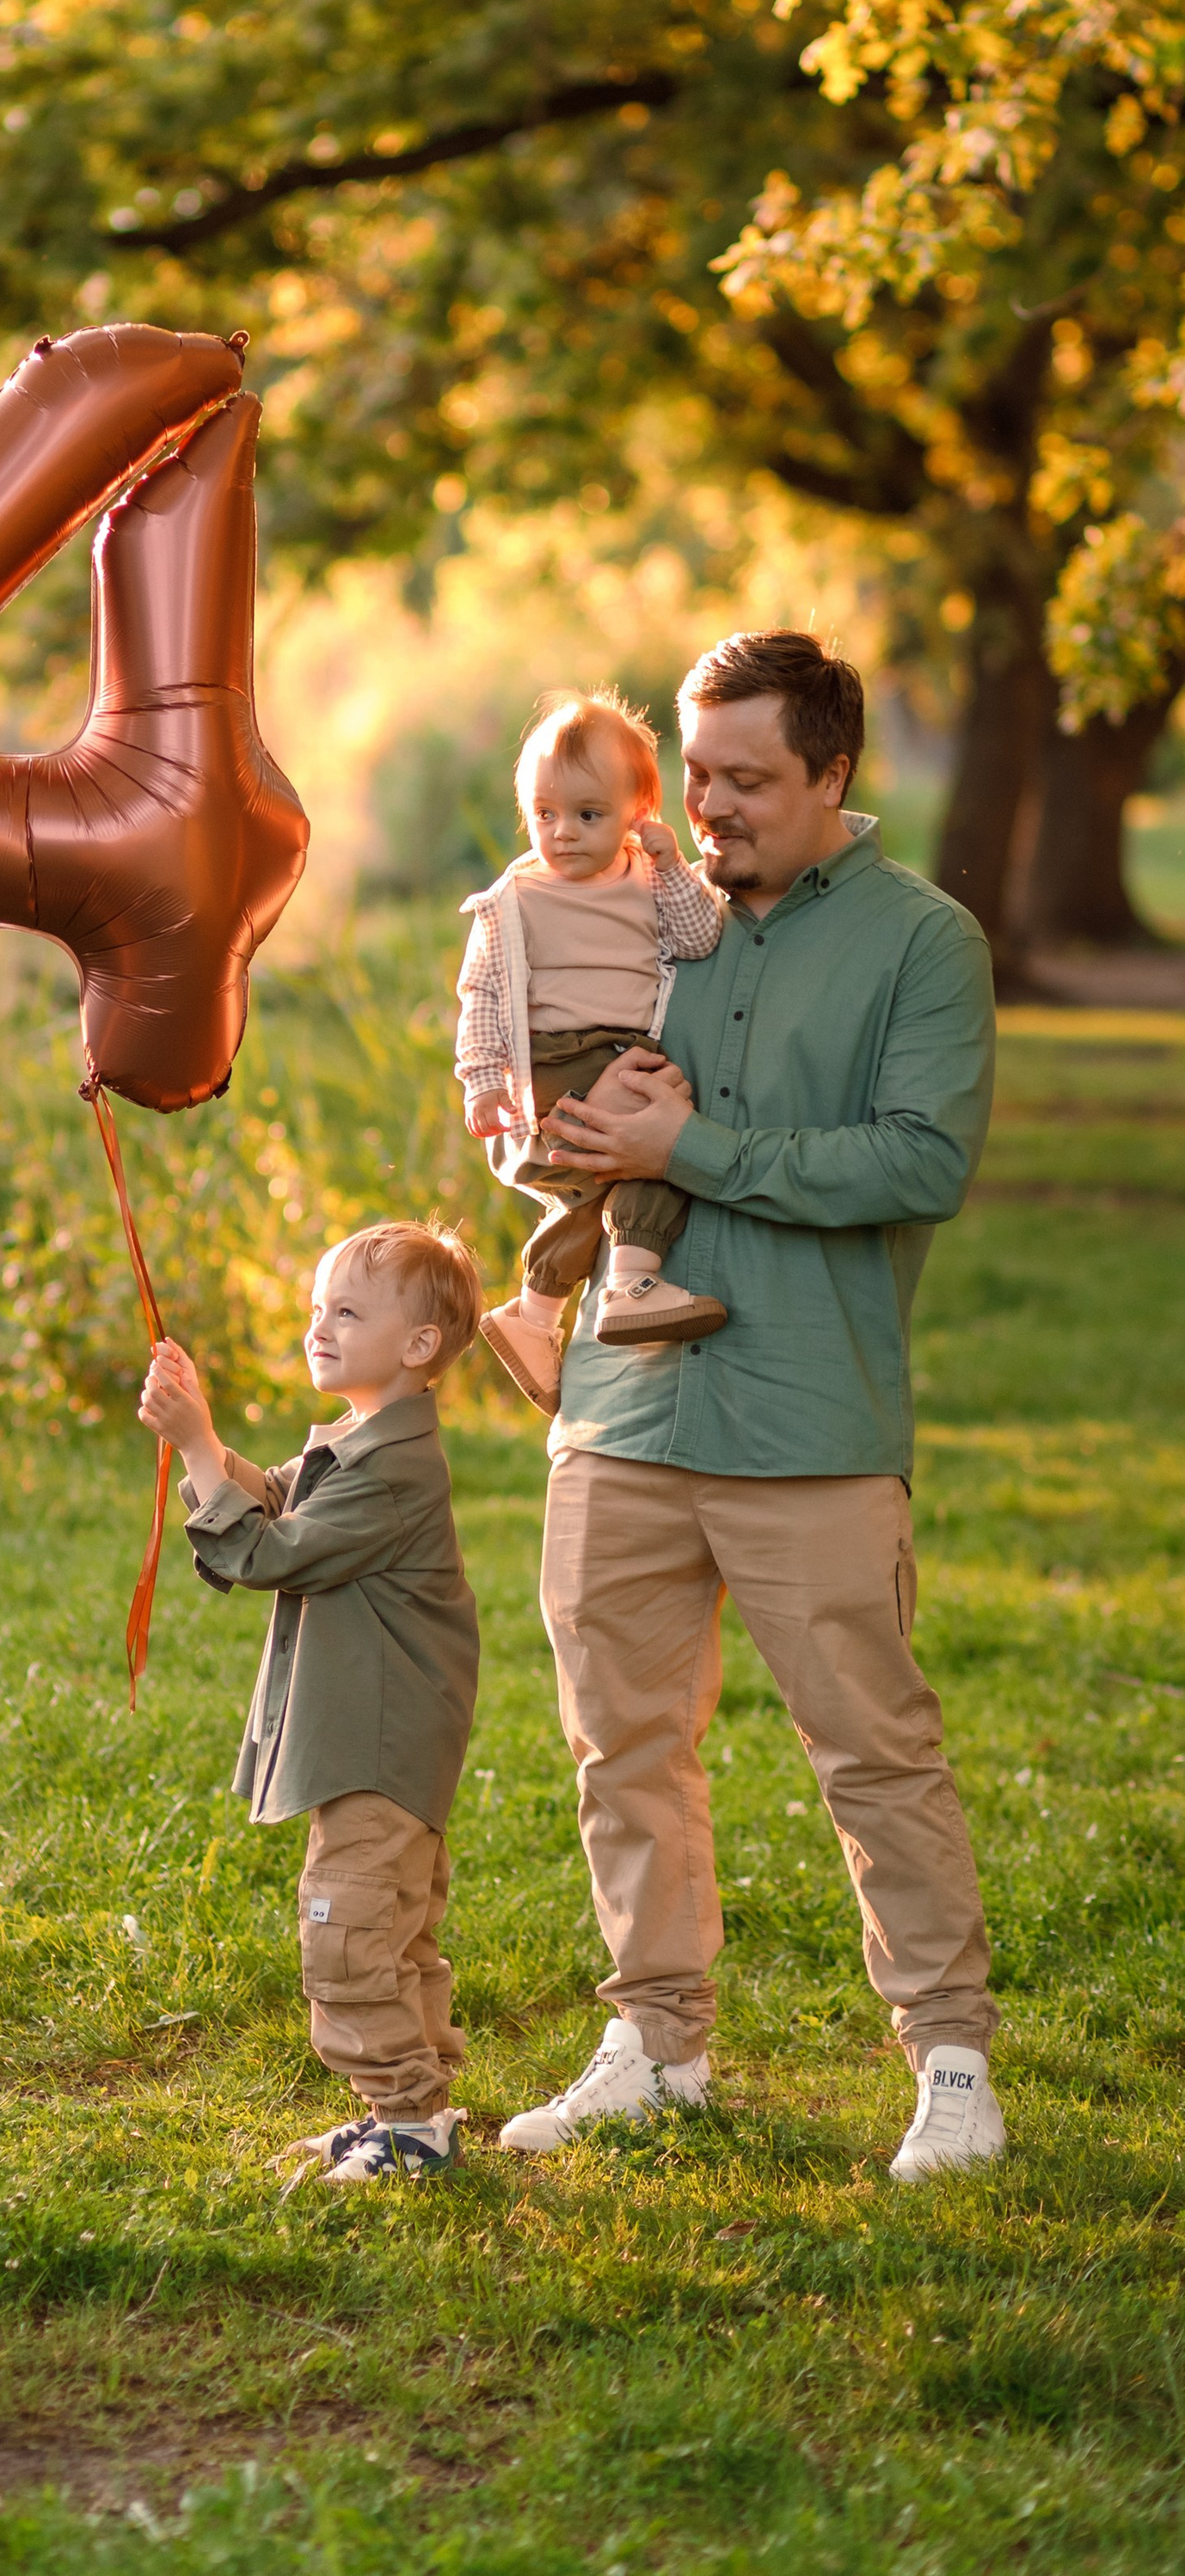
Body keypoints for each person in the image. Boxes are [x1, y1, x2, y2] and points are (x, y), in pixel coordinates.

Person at [494, 631, 1003, 2184]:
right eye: (698, 774)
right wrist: (539, 1127)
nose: (707, 807)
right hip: (622, 1403)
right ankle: (657, 2047)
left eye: (748, 780)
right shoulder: (654, 911)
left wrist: (692, 1151)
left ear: (833, 774)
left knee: (872, 1750)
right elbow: (558, 1072)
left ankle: (953, 2066)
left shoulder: (923, 942)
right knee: (622, 1746)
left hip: (807, 1410)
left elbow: (919, 1159)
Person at [139, 1222, 483, 2187]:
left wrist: (195, 1445)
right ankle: (408, 2115)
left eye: (347, 1312)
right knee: (393, 1935)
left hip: (378, 1746)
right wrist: (203, 1432)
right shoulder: (357, 1444)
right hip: (376, 1741)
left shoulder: (395, 1469)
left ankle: (409, 2130)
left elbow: (267, 1550)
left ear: (418, 1345)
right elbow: (273, 1499)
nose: (318, 1327)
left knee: (348, 1934)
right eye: (316, 1308)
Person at [457, 690, 728, 1414]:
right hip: (554, 1057)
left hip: (627, 1050)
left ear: (639, 810)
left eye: (588, 814)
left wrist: (674, 868)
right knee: (657, 1142)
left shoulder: (649, 877)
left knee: (628, 1163)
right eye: (545, 814)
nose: (563, 833)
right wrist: (484, 1081)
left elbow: (701, 937)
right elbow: (482, 992)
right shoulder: (515, 898)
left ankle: (540, 1312)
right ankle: (629, 1281)